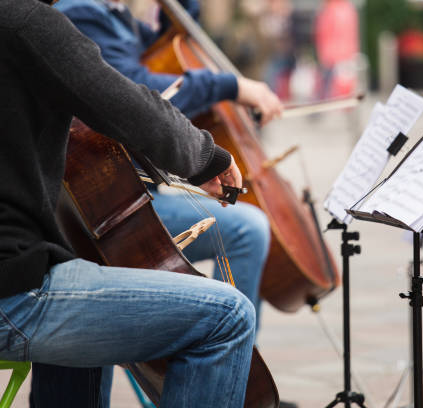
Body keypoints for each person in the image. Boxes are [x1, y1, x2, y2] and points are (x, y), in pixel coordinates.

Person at [0, 1, 256, 408]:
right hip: (12, 292)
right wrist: (207, 158)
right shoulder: (25, 22)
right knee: (228, 315)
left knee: (78, 302)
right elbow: (123, 103)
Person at [314, 0, 359, 99]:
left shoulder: (328, 10)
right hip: (347, 53)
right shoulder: (349, 9)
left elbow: (322, 33)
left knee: (324, 87)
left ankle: (318, 110)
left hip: (330, 54)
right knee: (344, 86)